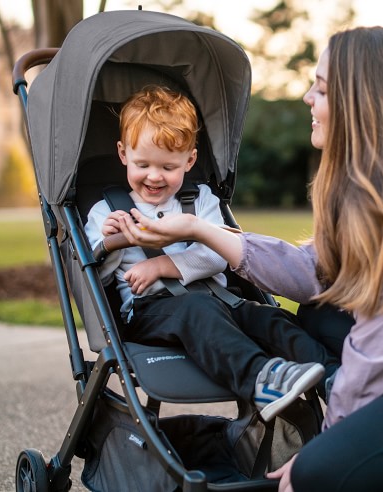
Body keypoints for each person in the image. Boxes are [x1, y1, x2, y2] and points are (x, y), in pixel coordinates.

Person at [116, 29, 383, 492]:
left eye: (322, 89)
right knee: (320, 314)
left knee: (319, 472)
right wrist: (199, 228)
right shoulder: (378, 175)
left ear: (364, 101)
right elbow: (315, 273)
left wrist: (334, 441)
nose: (308, 97)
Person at [84, 85, 340, 423]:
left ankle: (336, 381)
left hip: (221, 301)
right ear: (123, 154)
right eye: (142, 164)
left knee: (273, 320)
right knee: (196, 309)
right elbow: (96, 276)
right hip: (151, 312)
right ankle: (260, 379)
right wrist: (111, 243)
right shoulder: (106, 212)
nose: (154, 176)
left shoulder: (200, 199)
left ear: (189, 160)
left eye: (168, 167)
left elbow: (217, 255)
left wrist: (162, 265)